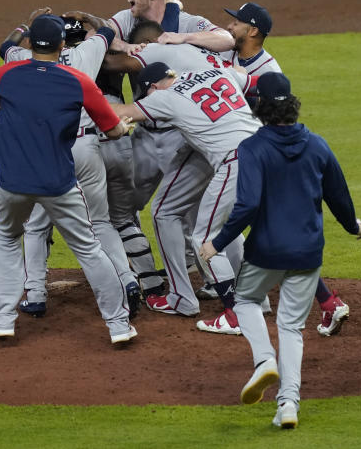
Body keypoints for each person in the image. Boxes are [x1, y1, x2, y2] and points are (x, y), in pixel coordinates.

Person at [199, 72, 361, 428]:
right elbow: (339, 195)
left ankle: (263, 361)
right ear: (291, 104)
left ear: (258, 107)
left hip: (267, 251)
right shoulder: (318, 144)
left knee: (244, 301)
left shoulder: (253, 147)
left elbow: (246, 206)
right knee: (291, 327)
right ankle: (288, 405)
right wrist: (353, 227)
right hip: (307, 253)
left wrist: (217, 242)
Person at [0, 14, 137, 344]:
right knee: (89, 249)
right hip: (58, 184)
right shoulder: (79, 80)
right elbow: (113, 130)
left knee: (7, 237)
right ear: (62, 45)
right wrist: (123, 129)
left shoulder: (4, 75)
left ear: (30, 44)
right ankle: (118, 326)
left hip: (11, 183)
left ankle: (3, 320)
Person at [222, 2, 351, 335]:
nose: (230, 25)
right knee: (270, 230)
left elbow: (275, 118)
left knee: (264, 228)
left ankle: (243, 306)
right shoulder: (234, 52)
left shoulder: (269, 71)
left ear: (253, 30)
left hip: (263, 154)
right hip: (255, 152)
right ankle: (328, 303)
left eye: (236, 22)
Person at [110, 61, 261, 333]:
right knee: (251, 224)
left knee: (203, 236)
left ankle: (231, 311)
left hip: (236, 160)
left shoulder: (163, 97)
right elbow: (247, 77)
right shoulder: (214, 71)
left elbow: (123, 112)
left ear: (152, 88)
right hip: (266, 148)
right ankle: (253, 298)